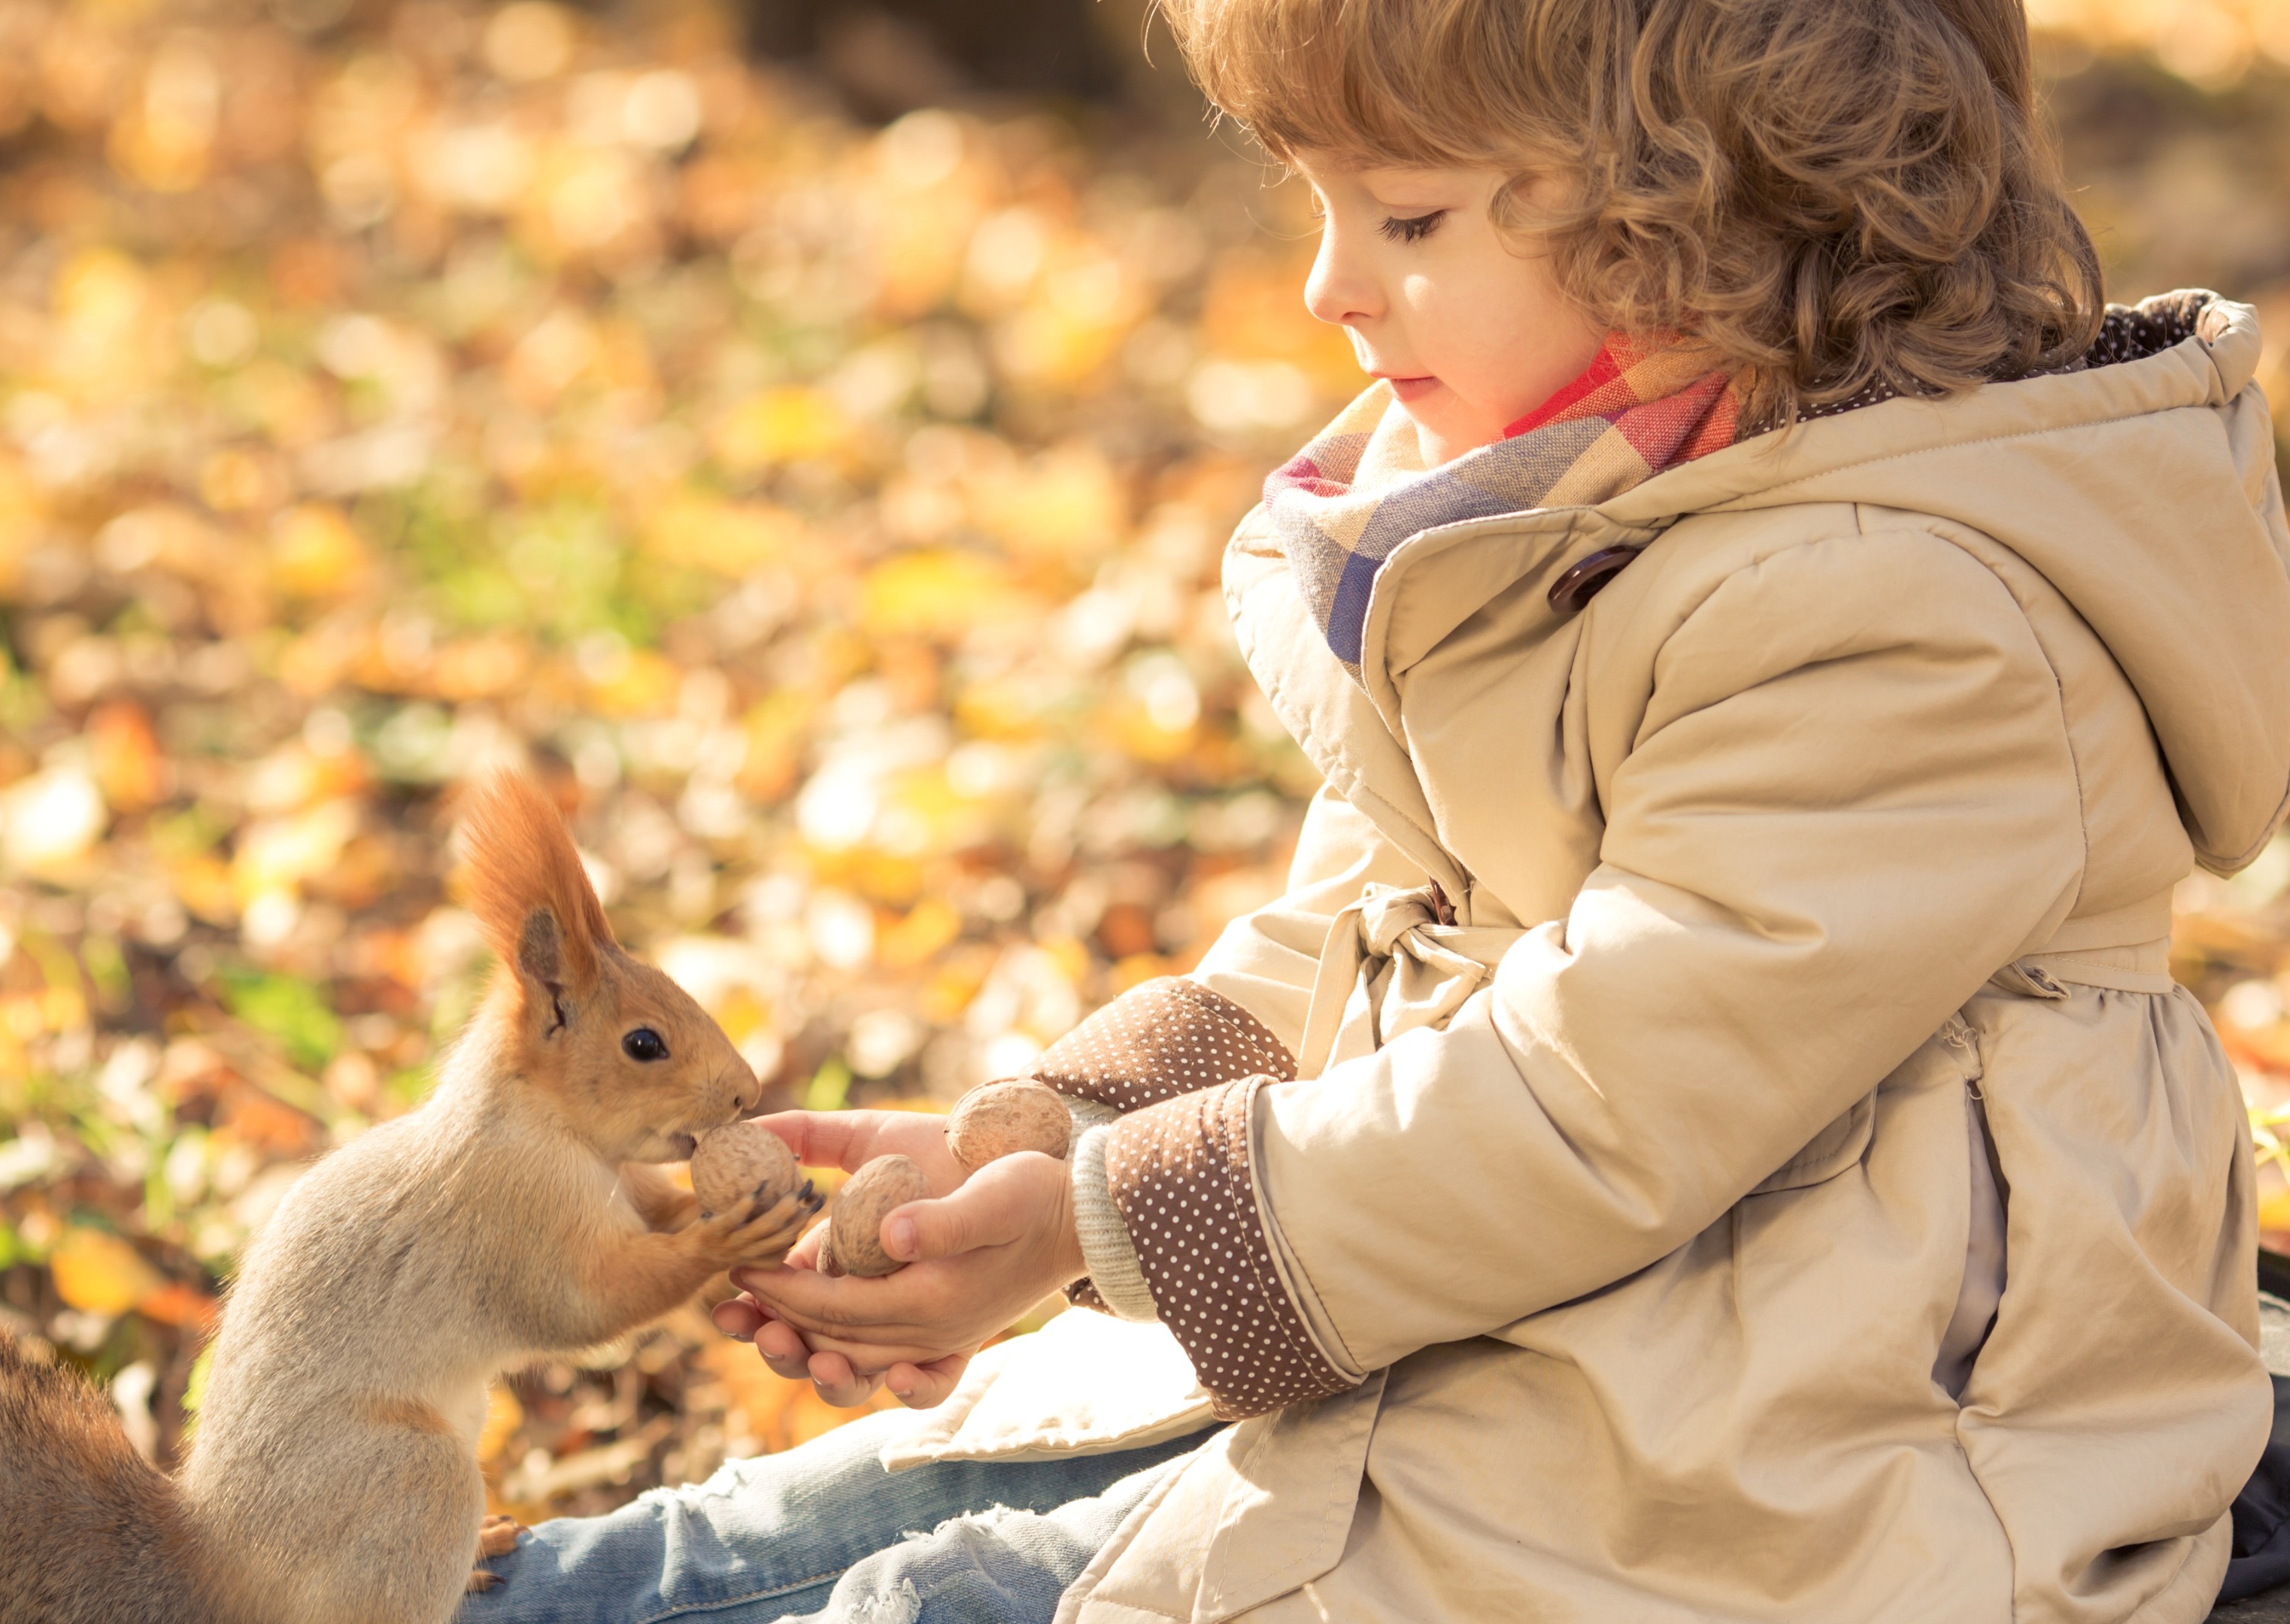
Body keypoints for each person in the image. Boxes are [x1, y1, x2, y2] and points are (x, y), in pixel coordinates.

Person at [464, 0, 2290, 1619]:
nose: (1332, 282)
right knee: (734, 1551)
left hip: (1801, 1460)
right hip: (1515, 1348)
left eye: (1406, 217)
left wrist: (1095, 1226)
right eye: (1320, 202)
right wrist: (1047, 1131)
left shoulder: (1909, 618)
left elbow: (1596, 1100)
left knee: (941, 1602)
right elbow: (1354, 940)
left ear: (1705, 222)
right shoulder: (1555, 526)